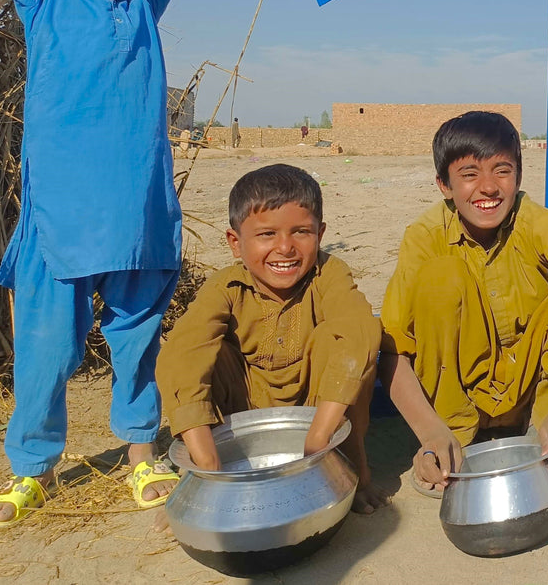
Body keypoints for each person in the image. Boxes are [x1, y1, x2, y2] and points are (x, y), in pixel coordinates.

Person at [0, 0, 195, 528]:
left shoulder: (144, 6)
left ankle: (141, 457)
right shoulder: (44, 0)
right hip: (58, 221)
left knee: (136, 345)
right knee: (44, 354)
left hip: (138, 215)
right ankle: (31, 469)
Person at [380, 111, 548, 495]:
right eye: (469, 175)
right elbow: (393, 350)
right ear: (444, 185)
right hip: (458, 402)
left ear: (518, 176)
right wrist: (429, 432)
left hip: (527, 393)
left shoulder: (530, 219)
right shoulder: (424, 236)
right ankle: (452, 445)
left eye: (501, 171)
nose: (488, 188)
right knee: (441, 278)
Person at [156, 164, 386, 513]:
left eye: (301, 232)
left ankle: (355, 471)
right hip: (242, 419)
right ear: (236, 242)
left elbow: (360, 333)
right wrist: (207, 466)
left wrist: (319, 439)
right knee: (201, 352)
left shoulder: (330, 275)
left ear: (320, 234)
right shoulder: (224, 288)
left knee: (347, 342)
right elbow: (180, 357)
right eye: (266, 235)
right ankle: (201, 479)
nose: (285, 248)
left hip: (320, 416)